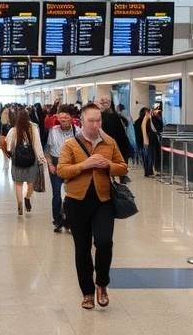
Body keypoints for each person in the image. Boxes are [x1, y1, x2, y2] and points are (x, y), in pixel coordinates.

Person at [57, 104, 128, 310]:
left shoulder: (109, 142)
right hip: (76, 202)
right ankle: (87, 292)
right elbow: (62, 170)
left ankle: (102, 284)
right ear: (82, 121)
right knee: (82, 247)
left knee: (105, 242)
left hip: (103, 201)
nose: (95, 124)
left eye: (98, 120)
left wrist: (108, 165)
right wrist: (84, 166)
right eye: (91, 121)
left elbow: (123, 167)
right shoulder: (70, 144)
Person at [6, 109, 45, 217]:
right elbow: (37, 145)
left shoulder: (13, 131)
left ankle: (19, 205)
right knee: (30, 182)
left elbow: (9, 146)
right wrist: (41, 159)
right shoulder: (33, 129)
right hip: (31, 160)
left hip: (17, 161)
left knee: (18, 184)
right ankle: (27, 198)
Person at [45, 107, 77, 233]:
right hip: (56, 163)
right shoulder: (52, 131)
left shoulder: (77, 131)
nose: (63, 120)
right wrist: (50, 164)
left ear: (71, 118)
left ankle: (71, 220)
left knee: (72, 194)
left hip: (71, 164)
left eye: (66, 117)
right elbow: (47, 149)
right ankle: (57, 221)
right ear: (57, 118)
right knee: (56, 194)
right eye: (61, 118)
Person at [97, 97, 133, 183]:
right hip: (111, 144)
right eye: (102, 103)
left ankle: (120, 176)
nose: (104, 105)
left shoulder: (112, 116)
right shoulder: (108, 117)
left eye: (106, 103)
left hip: (114, 143)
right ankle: (121, 176)